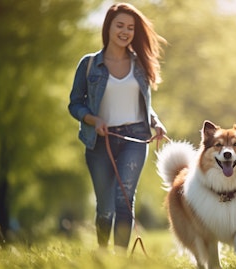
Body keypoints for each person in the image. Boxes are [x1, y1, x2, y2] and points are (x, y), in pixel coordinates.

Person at [68, 3, 167, 250]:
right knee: (105, 208)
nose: (125, 31)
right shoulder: (90, 64)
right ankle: (103, 256)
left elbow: (144, 105)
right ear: (108, 27)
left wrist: (156, 123)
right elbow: (74, 105)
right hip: (100, 141)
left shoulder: (140, 65)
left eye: (130, 28)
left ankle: (120, 261)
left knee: (124, 201)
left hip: (135, 138)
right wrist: (93, 119)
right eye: (120, 25)